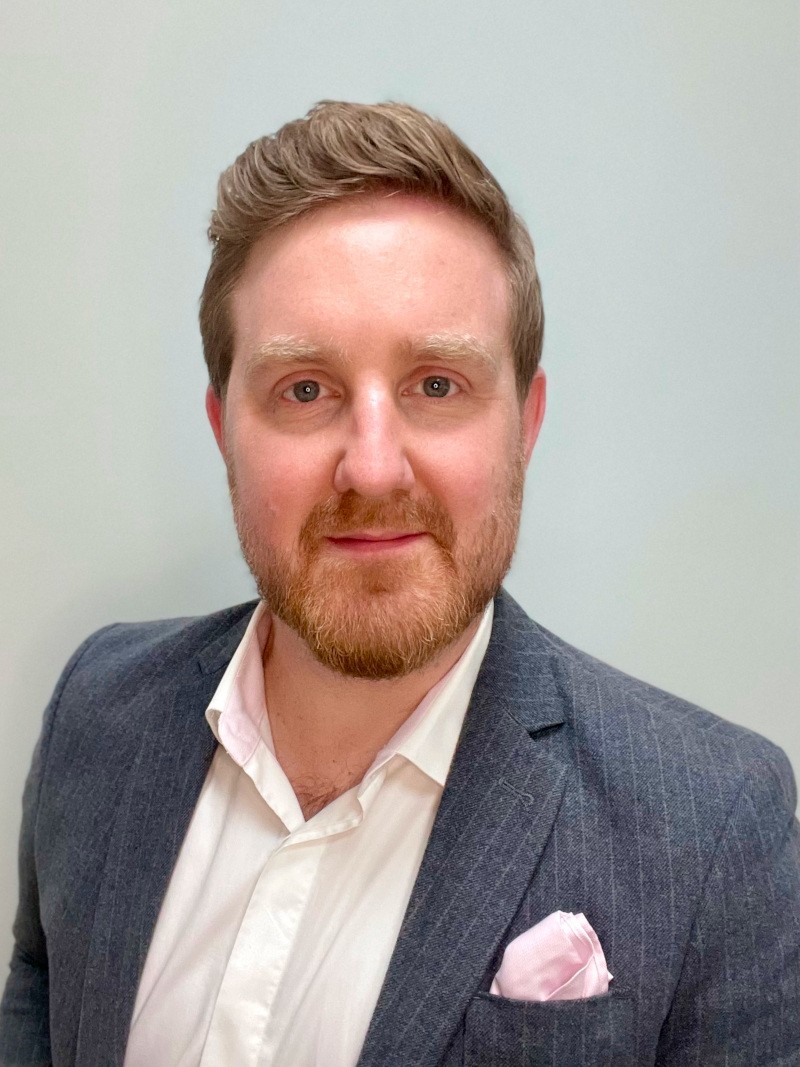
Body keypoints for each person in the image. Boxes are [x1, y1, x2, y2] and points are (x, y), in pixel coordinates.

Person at [1, 101, 798, 1067]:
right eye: (305, 390)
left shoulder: (714, 831)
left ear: (525, 424)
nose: (373, 469)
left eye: (436, 385)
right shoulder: (97, 708)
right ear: (223, 430)